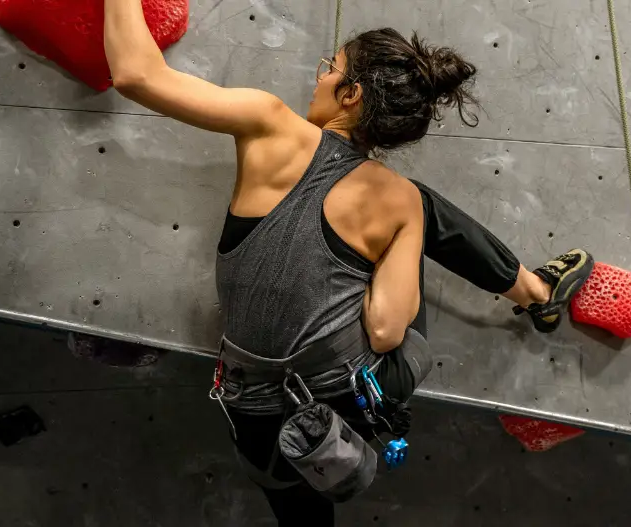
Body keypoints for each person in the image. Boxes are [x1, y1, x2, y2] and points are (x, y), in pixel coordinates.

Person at [104, 2, 593, 525]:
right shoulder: (397, 197)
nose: (319, 79)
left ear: (351, 93)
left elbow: (135, 73)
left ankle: (530, 291)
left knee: (295, 507)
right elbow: (385, 333)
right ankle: (535, 293)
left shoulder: (269, 125)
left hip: (254, 412)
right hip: (342, 401)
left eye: (329, 69)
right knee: (412, 208)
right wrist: (373, 249)